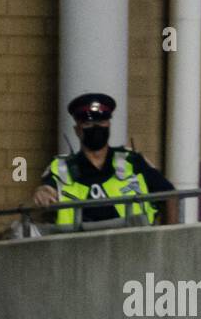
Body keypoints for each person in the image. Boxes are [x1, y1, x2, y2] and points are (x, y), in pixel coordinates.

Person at [33, 93, 176, 227]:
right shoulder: (62, 168)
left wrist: (170, 238)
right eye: (88, 123)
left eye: (101, 121)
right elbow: (47, 189)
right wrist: (43, 192)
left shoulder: (132, 161)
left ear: (109, 125)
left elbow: (170, 195)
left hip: (134, 246)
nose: (96, 127)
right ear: (77, 130)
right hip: (79, 249)